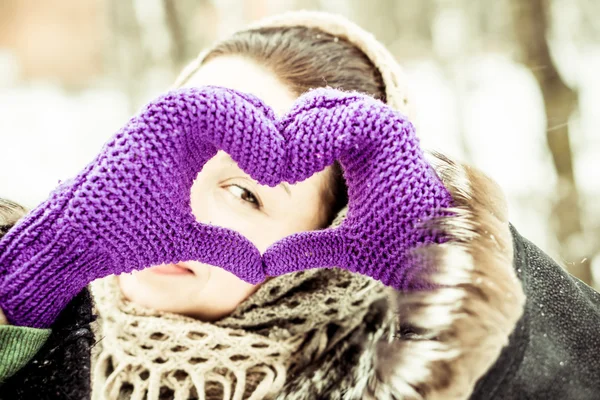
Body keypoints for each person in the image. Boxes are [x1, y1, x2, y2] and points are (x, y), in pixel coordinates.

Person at [1, 10, 599, 400]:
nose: (173, 204)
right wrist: (34, 271)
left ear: (327, 249)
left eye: (244, 192)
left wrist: (457, 283)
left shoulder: (372, 383)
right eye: (175, 149)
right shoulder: (41, 316)